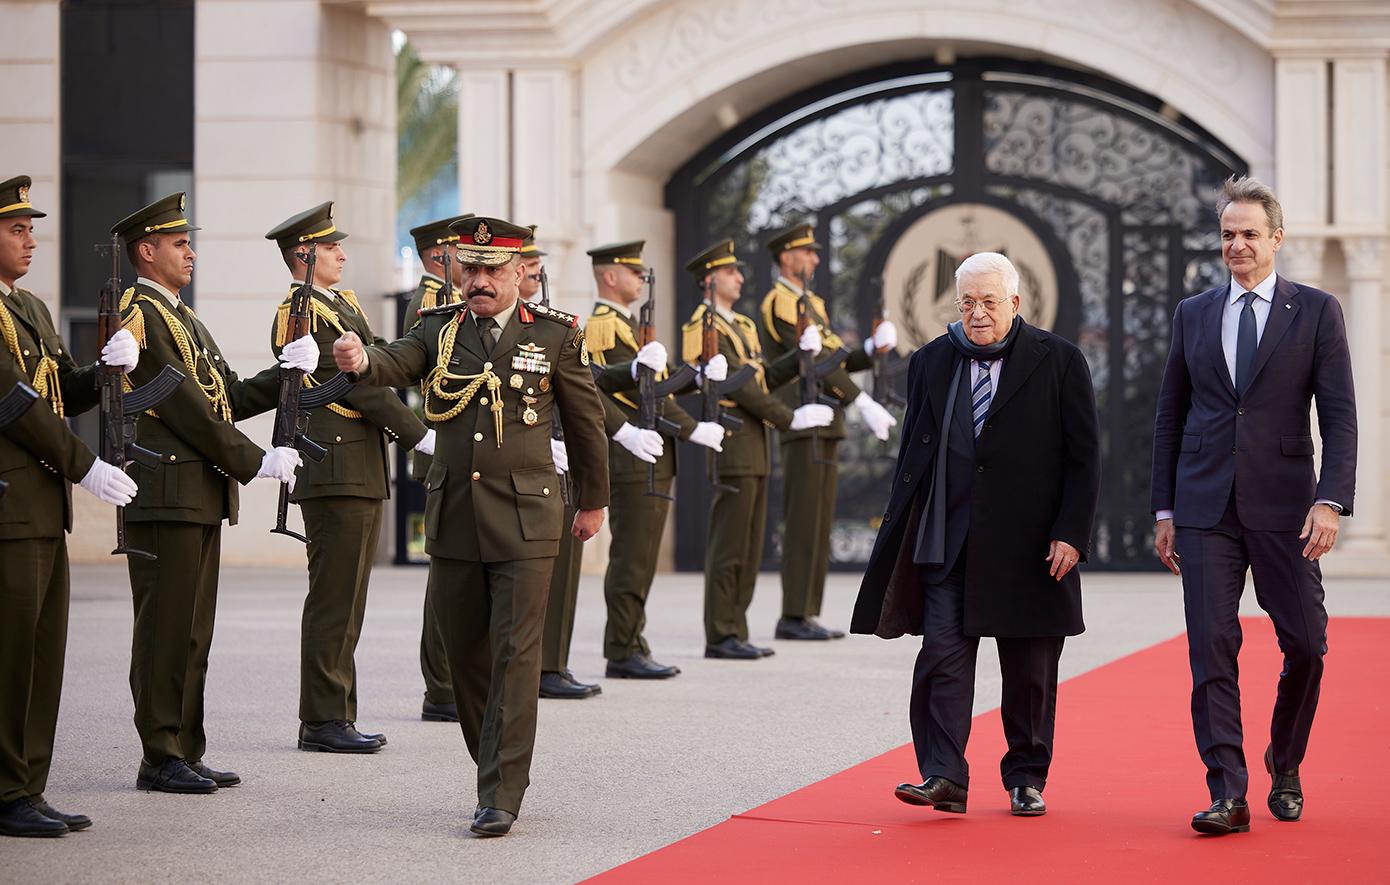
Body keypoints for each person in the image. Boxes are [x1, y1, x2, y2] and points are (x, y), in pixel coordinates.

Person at [331, 216, 609, 837]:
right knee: (465, 657)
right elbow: (396, 362)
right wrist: (359, 359)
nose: (479, 281)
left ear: (518, 275)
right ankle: (494, 762)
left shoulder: (557, 335)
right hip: (456, 511)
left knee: (515, 653)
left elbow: (586, 422)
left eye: (492, 271)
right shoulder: (438, 329)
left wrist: (592, 501)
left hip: (529, 514)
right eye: (471, 269)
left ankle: (501, 790)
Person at [850, 252, 1101, 818]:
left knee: (1030, 671)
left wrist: (1072, 534)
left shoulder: (1059, 360)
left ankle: (1026, 778)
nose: (978, 313)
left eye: (990, 302)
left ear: (1015, 302)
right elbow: (916, 447)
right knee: (940, 658)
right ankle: (944, 774)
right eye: (968, 302)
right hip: (950, 540)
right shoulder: (932, 360)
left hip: (1033, 547)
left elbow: (1085, 458)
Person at [1151, 176, 1357, 836]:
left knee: (1308, 644)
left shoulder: (1318, 310)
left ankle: (1285, 758)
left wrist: (1330, 499)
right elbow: (1169, 416)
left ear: (1276, 239)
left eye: (1249, 234)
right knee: (1212, 649)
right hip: (1205, 507)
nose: (1237, 245)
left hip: (1287, 507)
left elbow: (1342, 416)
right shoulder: (1193, 313)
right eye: (1227, 235)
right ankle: (1228, 791)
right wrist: (1165, 509)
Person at [115, 193, 309, 795]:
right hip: (166, 488)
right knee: (164, 628)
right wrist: (257, 461)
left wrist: (283, 371)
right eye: (178, 243)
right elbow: (185, 410)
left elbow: (225, 394)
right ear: (147, 252)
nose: (190, 251)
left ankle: (184, 748)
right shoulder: (139, 313)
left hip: (195, 490)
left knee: (194, 630)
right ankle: (159, 754)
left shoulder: (182, 317)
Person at [0, 175, 140, 837]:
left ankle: (27, 784)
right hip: (9, 506)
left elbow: (62, 392)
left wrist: (107, 367)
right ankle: (6, 790)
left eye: (31, 228)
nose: (30, 239)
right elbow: (15, 405)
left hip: (40, 505)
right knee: (9, 652)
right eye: (16, 229)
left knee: (41, 652)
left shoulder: (29, 309)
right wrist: (87, 467)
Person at [267, 203, 432, 753]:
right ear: (303, 255)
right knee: (334, 597)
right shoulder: (303, 311)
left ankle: (337, 712)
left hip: (356, 463)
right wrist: (417, 433)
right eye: (330, 246)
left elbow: (374, 360)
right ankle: (321, 718)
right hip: (332, 463)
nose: (341, 253)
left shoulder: (339, 306)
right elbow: (357, 385)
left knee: (349, 599)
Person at [680, 240, 833, 659]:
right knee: (728, 544)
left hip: (755, 442)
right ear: (710, 279)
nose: (740, 278)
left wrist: (799, 355)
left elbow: (760, 375)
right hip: (733, 440)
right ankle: (720, 633)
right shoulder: (702, 324)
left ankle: (736, 627)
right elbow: (740, 387)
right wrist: (789, 418)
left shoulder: (742, 325)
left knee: (748, 545)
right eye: (731, 273)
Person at [584, 240, 726, 679]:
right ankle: (622, 649)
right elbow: (630, 391)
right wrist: (691, 428)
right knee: (633, 557)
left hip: (650, 455)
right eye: (633, 271)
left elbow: (658, 387)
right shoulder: (603, 327)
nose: (641, 278)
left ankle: (632, 642)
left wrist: (697, 377)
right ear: (610, 276)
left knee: (641, 558)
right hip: (632, 456)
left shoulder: (628, 325)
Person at [759, 221, 897, 640]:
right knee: (803, 519)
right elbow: (814, 365)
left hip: (826, 421)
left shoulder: (810, 302)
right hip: (804, 419)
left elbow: (834, 358)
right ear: (787, 257)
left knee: (818, 521)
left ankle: (806, 612)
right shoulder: (781, 303)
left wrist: (870, 349)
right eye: (808, 252)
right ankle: (793, 614)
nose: (816, 259)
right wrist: (861, 400)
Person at [522, 228, 599, 699]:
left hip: (559, 453)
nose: (535, 272)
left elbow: (581, 395)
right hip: (523, 459)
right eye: (527, 266)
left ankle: (552, 665)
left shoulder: (553, 325)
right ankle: (448, 687)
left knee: (563, 567)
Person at [403, 213, 473, 723]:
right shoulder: (433, 302)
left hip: (453, 442)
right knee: (444, 571)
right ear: (439, 255)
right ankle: (441, 686)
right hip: (440, 439)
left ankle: (450, 681)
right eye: (459, 251)